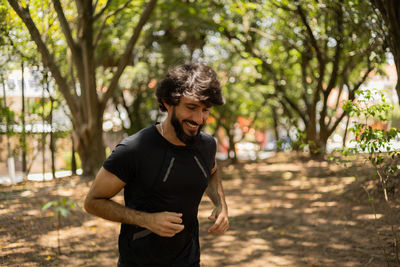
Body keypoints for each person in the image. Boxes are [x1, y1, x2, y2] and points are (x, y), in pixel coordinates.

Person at [84, 63, 229, 267]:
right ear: (168, 102)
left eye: (205, 110)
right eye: (191, 107)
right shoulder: (134, 149)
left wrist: (220, 204)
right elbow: (92, 202)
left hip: (190, 260)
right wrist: (146, 220)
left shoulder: (207, 145)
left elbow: (212, 171)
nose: (199, 119)